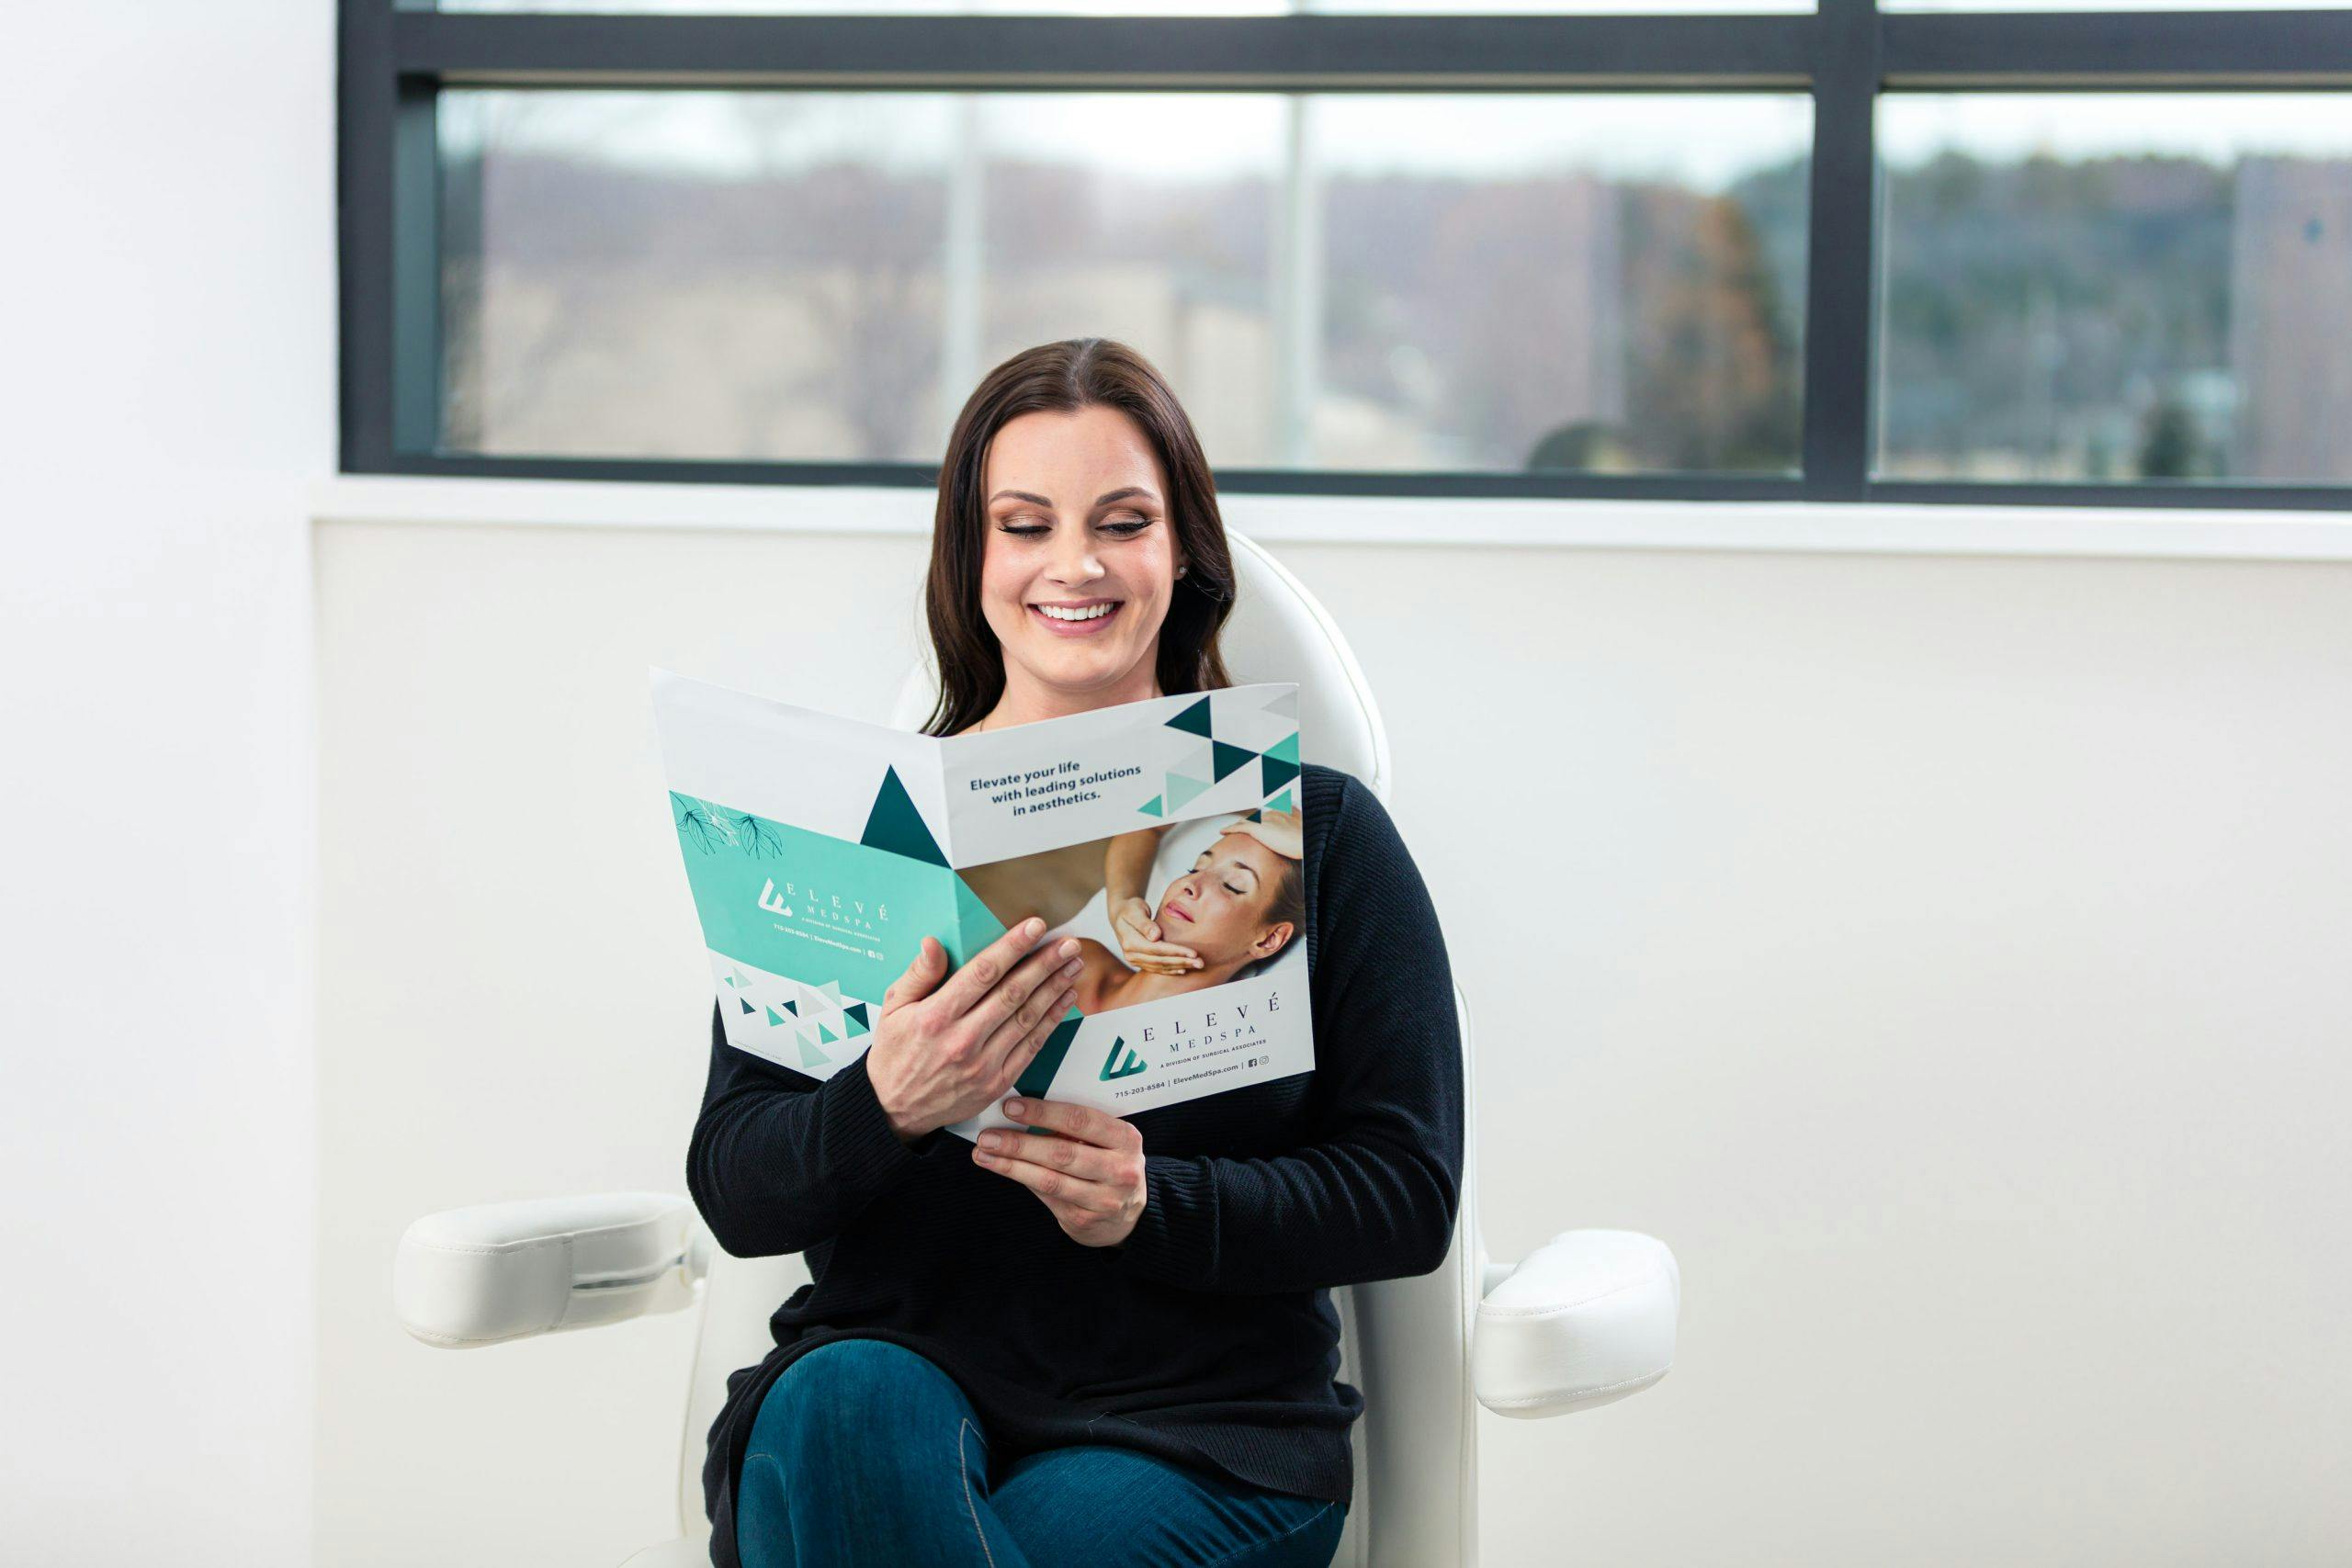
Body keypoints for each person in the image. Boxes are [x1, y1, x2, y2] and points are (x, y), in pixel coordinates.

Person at [685, 337, 1464, 1568]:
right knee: (841, 1401)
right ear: (972, 559)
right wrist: (883, 1102)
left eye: (1122, 520)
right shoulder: (850, 843)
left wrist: (1155, 1205)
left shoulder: (1320, 839)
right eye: (1025, 523)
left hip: (1204, 1439)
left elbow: (1405, 1195)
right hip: (875, 1399)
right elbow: (734, 1184)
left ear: (1182, 555)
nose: (1076, 564)